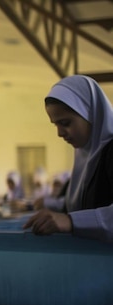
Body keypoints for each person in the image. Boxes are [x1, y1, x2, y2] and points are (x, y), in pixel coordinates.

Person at [24, 75, 113, 240]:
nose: (59, 133)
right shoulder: (85, 158)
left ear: (90, 114)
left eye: (65, 123)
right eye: (55, 125)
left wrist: (70, 221)